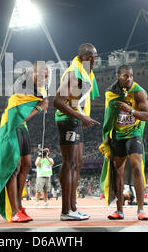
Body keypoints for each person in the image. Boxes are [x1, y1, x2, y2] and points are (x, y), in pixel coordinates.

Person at [0, 61, 49, 223]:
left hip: (22, 128)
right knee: (14, 168)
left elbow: (39, 102)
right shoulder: (20, 88)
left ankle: (19, 205)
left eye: (46, 76)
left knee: (26, 165)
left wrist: (42, 103)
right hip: (10, 126)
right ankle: (13, 211)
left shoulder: (39, 90)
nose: (43, 78)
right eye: (39, 75)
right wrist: (40, 108)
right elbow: (19, 116)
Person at [53, 43, 100, 221]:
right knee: (69, 164)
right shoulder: (74, 74)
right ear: (81, 57)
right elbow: (57, 102)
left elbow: (79, 100)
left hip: (76, 120)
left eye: (95, 56)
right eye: (90, 56)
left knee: (78, 164)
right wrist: (82, 118)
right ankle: (65, 211)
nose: (93, 59)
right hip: (67, 121)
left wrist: (82, 117)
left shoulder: (87, 74)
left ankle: (73, 207)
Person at [99, 64, 148, 221]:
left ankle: (140, 209)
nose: (129, 79)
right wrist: (107, 137)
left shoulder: (138, 92)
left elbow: (147, 116)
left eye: (131, 76)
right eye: (125, 76)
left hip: (133, 133)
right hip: (117, 136)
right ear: (118, 76)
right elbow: (109, 117)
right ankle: (119, 210)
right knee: (118, 171)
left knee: (136, 167)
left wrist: (131, 111)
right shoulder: (110, 93)